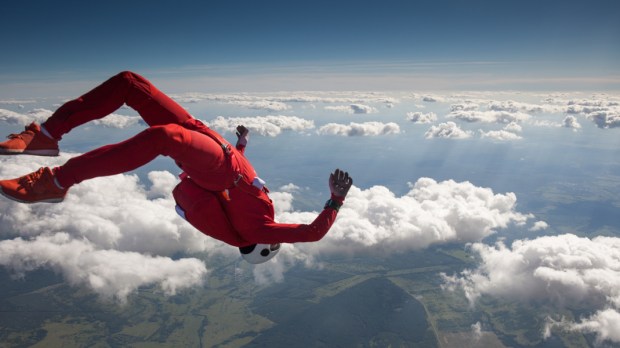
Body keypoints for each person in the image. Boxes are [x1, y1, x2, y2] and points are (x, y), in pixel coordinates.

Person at [0, 71, 353, 264]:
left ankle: (57, 182)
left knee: (163, 137)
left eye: (273, 243)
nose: (277, 238)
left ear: (264, 247)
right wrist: (241, 144)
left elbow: (312, 233)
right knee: (131, 84)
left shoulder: (255, 230)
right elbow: (247, 180)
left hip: (216, 166)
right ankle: (46, 134)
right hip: (217, 147)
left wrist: (335, 201)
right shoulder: (253, 219)